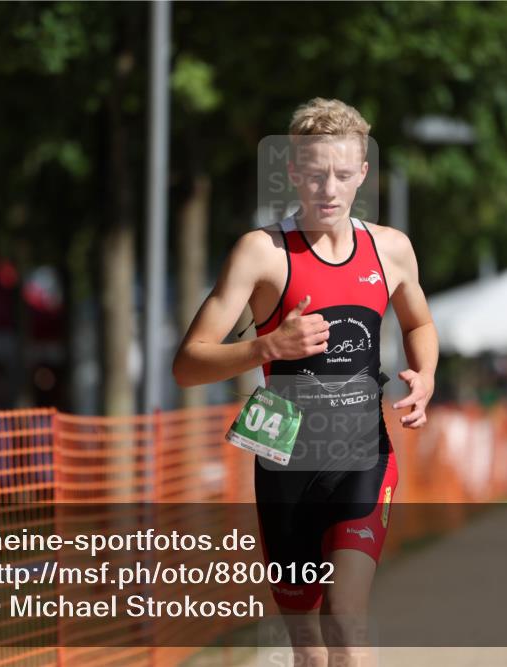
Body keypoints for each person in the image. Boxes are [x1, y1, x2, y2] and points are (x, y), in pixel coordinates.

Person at [172, 98, 438, 667]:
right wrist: (267, 346)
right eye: (315, 174)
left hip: (363, 457)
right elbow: (188, 363)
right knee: (310, 652)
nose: (329, 189)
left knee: (345, 617)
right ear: (293, 171)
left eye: (343, 174)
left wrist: (426, 376)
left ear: (363, 173)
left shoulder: (390, 249)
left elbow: (419, 322)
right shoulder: (260, 253)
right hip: (284, 465)